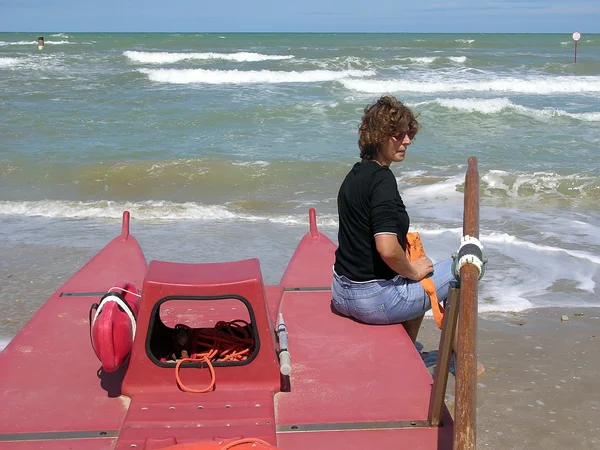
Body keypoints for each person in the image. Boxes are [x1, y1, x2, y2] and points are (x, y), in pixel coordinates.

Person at [331, 96, 484, 375]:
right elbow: (388, 249)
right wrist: (413, 272)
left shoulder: (354, 175)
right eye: (398, 134)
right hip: (371, 302)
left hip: (342, 293)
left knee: (421, 268)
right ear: (379, 137)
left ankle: (407, 350)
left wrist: (413, 269)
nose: (407, 140)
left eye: (409, 133)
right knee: (466, 265)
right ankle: (461, 358)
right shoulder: (382, 180)